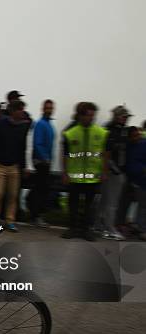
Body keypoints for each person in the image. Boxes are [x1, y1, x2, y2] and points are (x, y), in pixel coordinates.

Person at [61, 102, 107, 241]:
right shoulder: (70, 133)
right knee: (73, 205)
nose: (92, 118)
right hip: (74, 177)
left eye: (93, 115)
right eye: (88, 115)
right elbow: (65, 155)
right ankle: (72, 229)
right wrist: (65, 173)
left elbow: (105, 153)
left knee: (89, 206)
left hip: (92, 177)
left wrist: (104, 172)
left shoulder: (101, 133)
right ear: (80, 115)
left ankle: (86, 230)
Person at [0, 100, 30, 232]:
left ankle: (10, 221)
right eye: (20, 110)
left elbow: (23, 148)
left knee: (13, 195)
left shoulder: (23, 127)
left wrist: (24, 167)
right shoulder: (0, 124)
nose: (22, 112)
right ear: (13, 111)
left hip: (14, 167)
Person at [97, 106, 132, 240]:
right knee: (112, 202)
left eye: (127, 117)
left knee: (104, 201)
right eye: (124, 117)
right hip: (112, 172)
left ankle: (98, 225)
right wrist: (112, 171)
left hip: (115, 171)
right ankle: (109, 229)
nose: (126, 119)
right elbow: (106, 153)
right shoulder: (109, 130)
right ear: (117, 116)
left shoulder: (122, 131)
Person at [27, 99, 56, 227]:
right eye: (47, 108)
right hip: (41, 162)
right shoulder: (40, 124)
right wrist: (45, 158)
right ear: (43, 109)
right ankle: (35, 216)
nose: (49, 110)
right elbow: (37, 143)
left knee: (42, 189)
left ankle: (36, 215)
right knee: (40, 189)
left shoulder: (49, 125)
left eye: (51, 108)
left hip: (47, 162)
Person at [126, 126, 146, 240]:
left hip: (140, 180)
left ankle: (139, 227)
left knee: (142, 206)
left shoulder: (142, 144)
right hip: (139, 181)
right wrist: (143, 169)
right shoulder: (132, 147)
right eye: (135, 135)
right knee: (143, 205)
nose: (137, 137)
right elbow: (132, 165)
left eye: (138, 134)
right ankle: (141, 229)